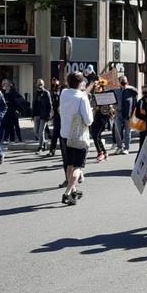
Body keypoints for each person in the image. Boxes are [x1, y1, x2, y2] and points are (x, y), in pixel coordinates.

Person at [58, 71, 93, 205]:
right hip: (78, 136)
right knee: (78, 166)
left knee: (69, 165)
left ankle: (73, 191)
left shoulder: (64, 93)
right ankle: (67, 193)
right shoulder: (82, 97)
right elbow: (89, 120)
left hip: (64, 134)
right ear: (80, 83)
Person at [114, 75, 138, 155]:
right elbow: (112, 100)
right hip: (118, 113)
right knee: (117, 131)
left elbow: (135, 101)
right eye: (122, 81)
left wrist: (134, 113)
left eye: (124, 80)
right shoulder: (116, 91)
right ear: (119, 82)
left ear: (127, 81)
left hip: (128, 113)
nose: (123, 82)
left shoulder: (132, 90)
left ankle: (126, 148)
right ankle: (119, 147)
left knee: (127, 132)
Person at [90, 82, 114, 162]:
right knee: (95, 135)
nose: (95, 87)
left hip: (103, 119)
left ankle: (100, 153)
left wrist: (103, 108)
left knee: (96, 135)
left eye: (97, 86)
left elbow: (108, 109)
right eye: (95, 86)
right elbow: (92, 105)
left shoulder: (106, 96)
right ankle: (104, 152)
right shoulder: (94, 96)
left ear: (101, 87)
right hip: (95, 118)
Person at [32, 78, 53, 153]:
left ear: (43, 84)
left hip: (44, 116)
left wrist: (49, 115)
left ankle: (40, 147)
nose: (39, 85)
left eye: (41, 84)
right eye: (38, 83)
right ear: (36, 84)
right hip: (36, 115)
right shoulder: (35, 93)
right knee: (35, 131)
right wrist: (32, 115)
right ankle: (44, 142)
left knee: (41, 132)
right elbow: (33, 104)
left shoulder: (46, 93)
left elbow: (50, 105)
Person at [132, 84, 147, 154]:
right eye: (143, 91)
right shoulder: (140, 102)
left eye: (146, 90)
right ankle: (139, 162)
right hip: (143, 127)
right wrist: (146, 118)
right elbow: (136, 114)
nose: (144, 92)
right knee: (142, 145)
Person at [47, 78, 62, 157]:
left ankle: (63, 151)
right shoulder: (53, 93)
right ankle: (52, 150)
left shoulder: (62, 93)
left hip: (62, 116)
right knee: (55, 134)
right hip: (56, 116)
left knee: (61, 134)